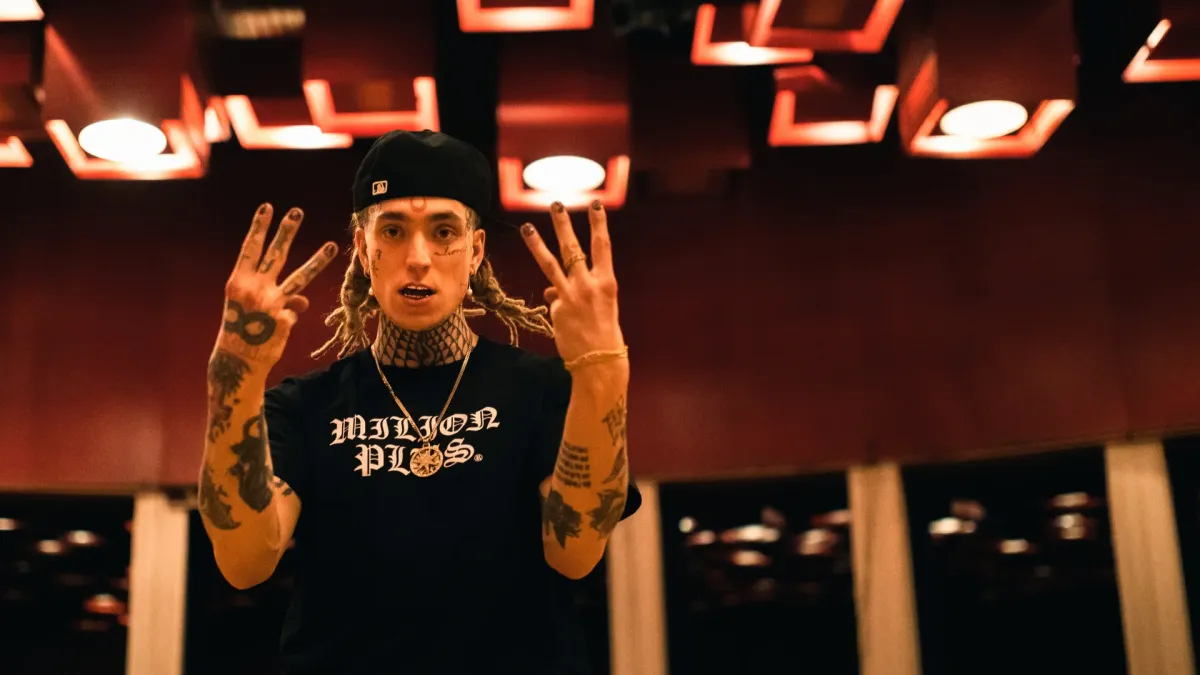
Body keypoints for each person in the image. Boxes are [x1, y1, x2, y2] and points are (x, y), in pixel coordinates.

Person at [197, 129, 640, 675]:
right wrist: (234, 375)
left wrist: (603, 368)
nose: (418, 258)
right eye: (393, 230)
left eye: (444, 231)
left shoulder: (542, 389)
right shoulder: (303, 407)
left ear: (476, 251)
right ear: (364, 250)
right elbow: (244, 562)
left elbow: (576, 552)